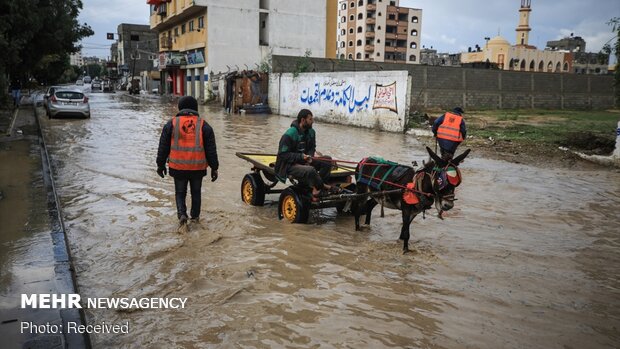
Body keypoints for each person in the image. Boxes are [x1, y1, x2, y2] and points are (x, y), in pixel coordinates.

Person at [156, 96, 219, 225]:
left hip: (178, 167)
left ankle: (182, 215)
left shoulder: (171, 124)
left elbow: (163, 147)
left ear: (180, 108)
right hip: (197, 168)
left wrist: (160, 165)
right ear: (195, 108)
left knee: (180, 193)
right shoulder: (204, 125)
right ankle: (195, 218)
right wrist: (214, 167)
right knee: (196, 193)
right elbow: (211, 150)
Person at [275, 109, 338, 200]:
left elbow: (312, 147)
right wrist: (300, 157)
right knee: (311, 170)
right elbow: (282, 155)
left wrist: (310, 157)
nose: (312, 121)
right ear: (303, 120)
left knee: (327, 160)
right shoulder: (290, 134)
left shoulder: (311, 132)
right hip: (289, 165)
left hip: (305, 160)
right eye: (310, 119)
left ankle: (317, 189)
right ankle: (323, 187)